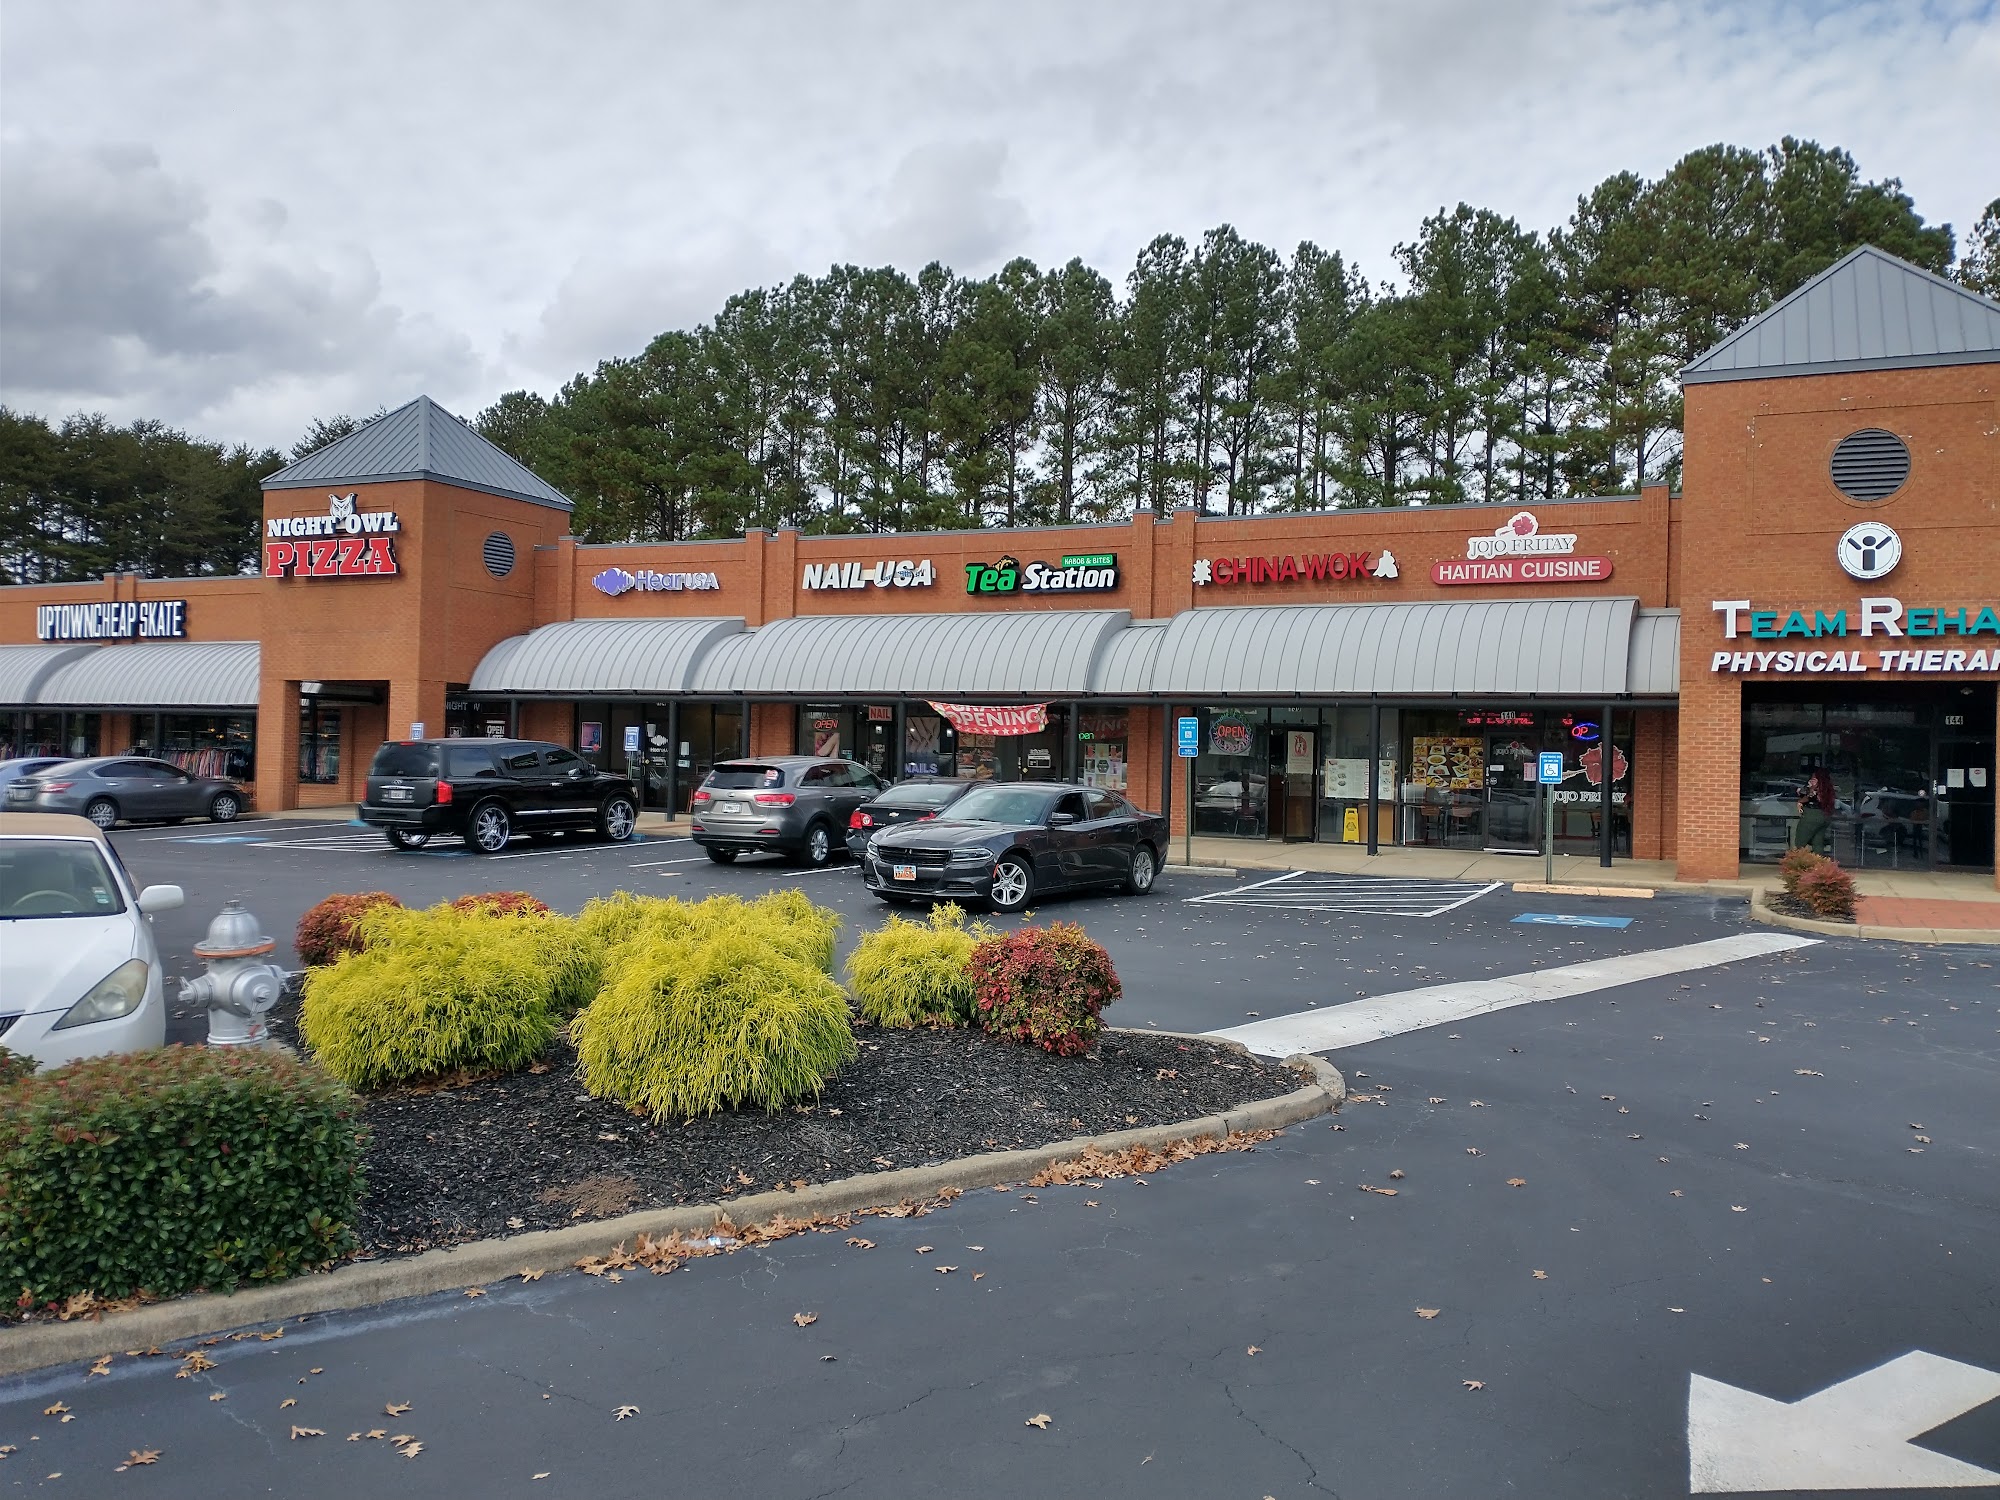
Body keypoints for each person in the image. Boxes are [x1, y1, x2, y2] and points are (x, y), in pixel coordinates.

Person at [1794, 768, 1835, 854]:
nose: (1811, 780)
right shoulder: (1827, 789)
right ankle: (1818, 863)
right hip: (1824, 815)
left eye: (1813, 779)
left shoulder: (1815, 789)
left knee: (1800, 841)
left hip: (1811, 815)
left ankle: (1797, 861)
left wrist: (1801, 799)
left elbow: (1809, 796)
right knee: (1818, 842)